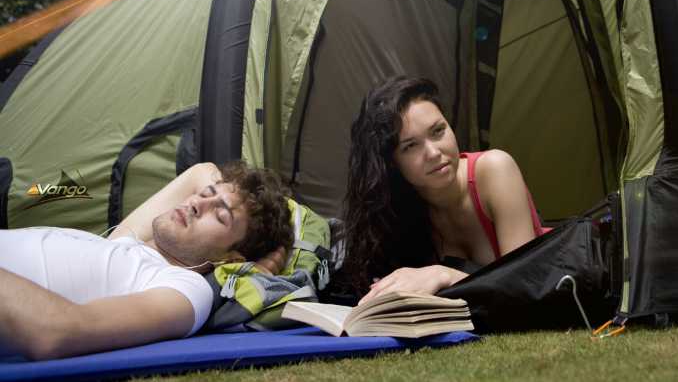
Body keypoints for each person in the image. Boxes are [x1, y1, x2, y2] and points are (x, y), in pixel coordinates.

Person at [0, 161, 292, 360]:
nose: (195, 204)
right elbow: (202, 171)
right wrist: (239, 193)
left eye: (220, 215)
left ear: (231, 256)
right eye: (205, 194)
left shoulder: (185, 288)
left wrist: (255, 263)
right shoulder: (122, 243)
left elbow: (56, 332)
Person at [342, 76, 547, 304]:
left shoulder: (494, 169)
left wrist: (444, 274)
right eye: (410, 146)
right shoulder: (399, 212)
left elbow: (525, 282)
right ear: (392, 163)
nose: (433, 152)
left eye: (438, 131)